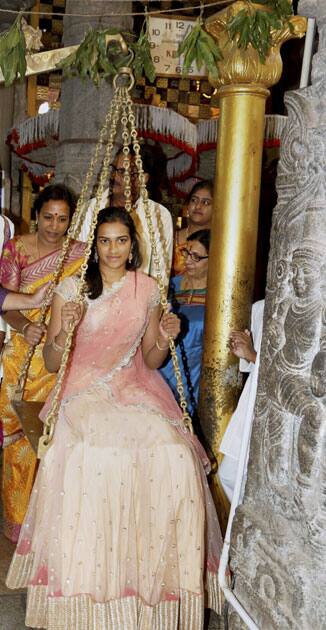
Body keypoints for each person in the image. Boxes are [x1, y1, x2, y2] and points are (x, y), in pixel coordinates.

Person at [7, 207, 222, 629]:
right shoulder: (71, 289)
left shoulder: (147, 288)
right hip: (80, 390)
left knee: (174, 453)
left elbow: (151, 357)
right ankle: (87, 586)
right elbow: (52, 364)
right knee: (91, 453)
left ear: (132, 244)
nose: (112, 250)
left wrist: (164, 335)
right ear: (94, 244)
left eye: (120, 240)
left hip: (134, 385)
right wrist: (65, 331)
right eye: (104, 241)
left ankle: (153, 585)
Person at [0, 184, 85, 543]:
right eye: (48, 217)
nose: (54, 225)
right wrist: (27, 327)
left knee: (58, 436)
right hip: (25, 353)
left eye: (62, 218)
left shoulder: (81, 253)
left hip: (66, 350)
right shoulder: (16, 248)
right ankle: (18, 521)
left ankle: (53, 519)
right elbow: (5, 301)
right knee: (19, 437)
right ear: (36, 215)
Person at [78, 144, 173, 289]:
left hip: (138, 298)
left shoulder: (159, 215)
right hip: (93, 294)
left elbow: (161, 274)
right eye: (114, 169)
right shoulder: (89, 209)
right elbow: (78, 262)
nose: (114, 176)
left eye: (123, 172)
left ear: (143, 178)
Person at [161, 229, 210, 422]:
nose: (188, 261)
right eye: (186, 253)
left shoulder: (218, 295)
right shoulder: (170, 286)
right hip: (161, 365)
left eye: (196, 257)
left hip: (193, 373)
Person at [218, 300, 265, 503]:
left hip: (283, 406)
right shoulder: (260, 308)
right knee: (228, 474)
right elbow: (249, 365)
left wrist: (253, 355)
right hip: (253, 397)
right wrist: (243, 351)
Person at [172, 180, 213, 276]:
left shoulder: (221, 243)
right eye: (194, 200)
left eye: (206, 202)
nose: (198, 206)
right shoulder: (172, 238)